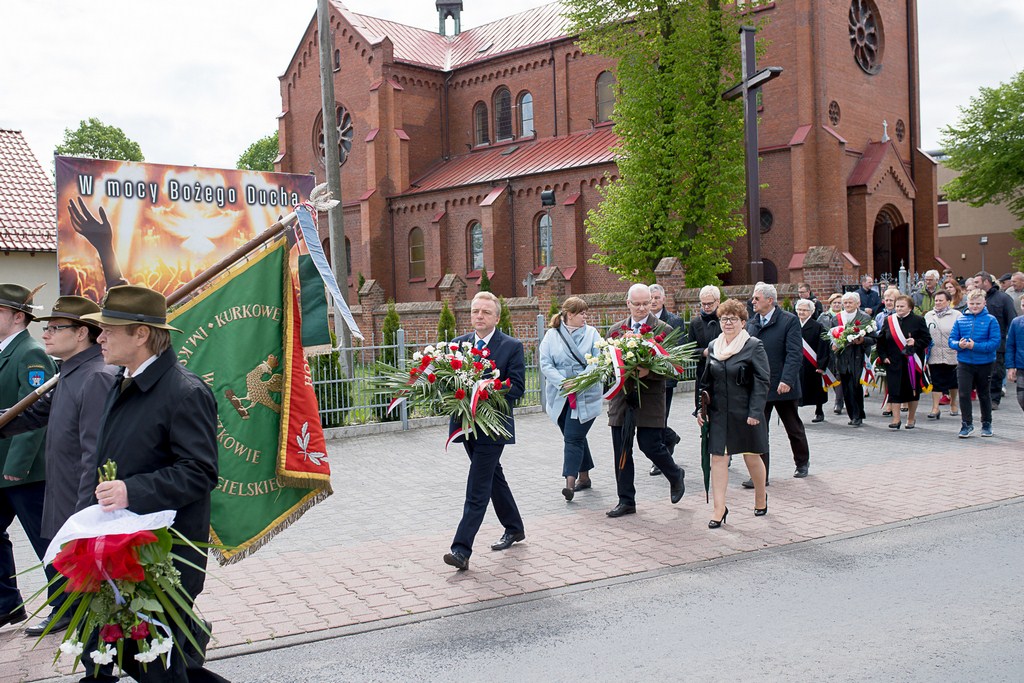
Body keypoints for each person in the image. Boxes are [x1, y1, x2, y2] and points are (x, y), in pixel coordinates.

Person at [78, 285, 222, 682]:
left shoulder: (184, 391)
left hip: (163, 553)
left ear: (141, 334)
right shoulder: (121, 381)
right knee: (118, 655)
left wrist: (131, 490)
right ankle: (190, 640)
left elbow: (201, 471)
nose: (100, 337)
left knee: (149, 663)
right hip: (121, 547)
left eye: (108, 329)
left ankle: (189, 640)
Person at [0, 296, 117, 636]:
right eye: (46, 327)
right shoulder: (73, 371)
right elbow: (38, 414)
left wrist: (84, 509)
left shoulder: (95, 375)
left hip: (77, 497)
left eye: (55, 327)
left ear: (82, 333)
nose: (46, 334)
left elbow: (94, 451)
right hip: (63, 489)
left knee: (91, 582)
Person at [444, 291, 527, 570]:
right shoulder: (457, 344)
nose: (479, 316)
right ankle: (514, 527)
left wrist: (487, 390)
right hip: (466, 425)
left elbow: (517, 388)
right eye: (475, 311)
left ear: (497, 317)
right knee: (493, 477)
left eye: (486, 312)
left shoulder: (511, 346)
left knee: (477, 487)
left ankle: (461, 549)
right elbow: (446, 385)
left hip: (493, 427)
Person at [0, 284, 57, 631]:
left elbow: (36, 415)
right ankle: (7, 604)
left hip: (25, 471)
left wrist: (16, 467)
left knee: (45, 541)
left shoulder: (31, 354)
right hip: (3, 468)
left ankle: (65, 604)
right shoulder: (6, 351)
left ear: (17, 316)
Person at [605, 284, 685, 518]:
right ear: (627, 303)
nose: (641, 308)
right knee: (621, 450)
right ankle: (626, 500)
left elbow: (673, 367)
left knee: (650, 444)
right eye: (636, 304)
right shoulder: (615, 330)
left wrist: (646, 372)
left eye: (645, 303)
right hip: (622, 399)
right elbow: (607, 363)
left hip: (650, 398)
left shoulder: (664, 328)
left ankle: (675, 474)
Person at [696, 299, 769, 528]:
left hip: (746, 412)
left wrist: (755, 411)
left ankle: (760, 496)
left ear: (743, 322)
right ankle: (719, 509)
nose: (728, 323)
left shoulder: (753, 345)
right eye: (724, 319)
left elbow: (762, 380)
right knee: (718, 458)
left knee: (751, 456)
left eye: (733, 319)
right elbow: (705, 380)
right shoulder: (714, 346)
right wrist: (700, 409)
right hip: (719, 414)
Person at [539, 297, 602, 501]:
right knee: (576, 436)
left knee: (572, 437)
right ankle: (584, 477)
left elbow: (598, 360)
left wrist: (581, 381)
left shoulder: (592, 333)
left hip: (586, 392)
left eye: (586, 313)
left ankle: (569, 483)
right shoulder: (551, 335)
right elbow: (546, 363)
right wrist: (563, 382)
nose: (586, 317)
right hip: (560, 395)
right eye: (582, 313)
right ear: (570, 314)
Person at [746, 283, 809, 482]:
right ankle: (761, 475)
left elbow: (794, 353)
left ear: (769, 300)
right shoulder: (752, 323)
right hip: (760, 386)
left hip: (782, 386)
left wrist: (787, 380)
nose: (752, 302)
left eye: (757, 298)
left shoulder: (788, 321)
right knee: (759, 432)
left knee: (793, 427)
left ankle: (802, 462)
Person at [948, 288, 1000, 438]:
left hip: (985, 363)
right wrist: (959, 344)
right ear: (967, 303)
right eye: (972, 303)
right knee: (963, 394)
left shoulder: (991, 320)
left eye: (978, 303)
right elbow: (951, 340)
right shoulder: (960, 319)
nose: (975, 306)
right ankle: (966, 424)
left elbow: (994, 343)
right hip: (964, 362)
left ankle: (986, 423)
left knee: (983, 394)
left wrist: (974, 346)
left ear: (984, 303)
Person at [876, 295, 930, 429]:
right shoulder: (889, 321)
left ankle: (911, 418)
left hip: (912, 362)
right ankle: (896, 419)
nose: (899, 309)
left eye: (902, 306)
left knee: (912, 391)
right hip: (893, 362)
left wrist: (915, 343)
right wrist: (883, 357)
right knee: (894, 391)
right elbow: (881, 341)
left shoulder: (918, 320)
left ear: (910, 308)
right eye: (897, 306)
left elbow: (927, 339)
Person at [648, 283, 683, 474]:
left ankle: (659, 459)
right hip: (645, 378)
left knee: (661, 417)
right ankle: (670, 437)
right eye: (650, 298)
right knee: (651, 418)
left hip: (664, 378)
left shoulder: (674, 321)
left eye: (656, 298)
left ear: (663, 299)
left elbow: (678, 349)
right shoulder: (643, 321)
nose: (653, 301)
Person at [832, 291, 876, 427]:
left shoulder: (864, 318)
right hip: (842, 357)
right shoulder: (836, 318)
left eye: (850, 302)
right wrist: (833, 344)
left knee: (855, 386)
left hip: (858, 357)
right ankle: (852, 414)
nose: (847, 305)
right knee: (845, 387)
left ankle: (858, 414)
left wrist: (862, 340)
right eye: (845, 302)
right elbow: (832, 335)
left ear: (858, 303)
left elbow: (873, 339)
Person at [977, 271, 1015, 411]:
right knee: (981, 372)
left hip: (998, 343)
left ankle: (994, 399)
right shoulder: (977, 298)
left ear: (986, 282)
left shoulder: (1003, 298)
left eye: (977, 282)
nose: (975, 285)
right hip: (978, 343)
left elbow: (1011, 320)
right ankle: (983, 397)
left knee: (996, 372)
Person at [924, 290, 962, 419]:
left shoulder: (957, 315)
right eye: (936, 300)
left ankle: (953, 403)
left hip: (952, 352)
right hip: (934, 353)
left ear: (948, 301)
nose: (938, 303)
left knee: (953, 381)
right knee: (936, 380)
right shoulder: (929, 315)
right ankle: (935, 408)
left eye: (941, 300)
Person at [794, 299, 831, 423]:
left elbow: (823, 346)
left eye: (805, 310)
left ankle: (819, 411)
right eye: (800, 310)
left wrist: (821, 365)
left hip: (812, 363)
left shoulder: (818, 326)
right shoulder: (793, 325)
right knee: (796, 388)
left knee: (816, 388)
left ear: (811, 312)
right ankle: (794, 413)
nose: (802, 312)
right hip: (797, 362)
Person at [818, 293, 845, 414]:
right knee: (832, 375)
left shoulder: (844, 316)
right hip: (828, 350)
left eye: (839, 303)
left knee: (839, 374)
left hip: (841, 350)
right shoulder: (823, 316)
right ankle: (839, 397)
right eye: (834, 302)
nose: (837, 305)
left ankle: (838, 401)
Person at [1005, 296, 1024, 411]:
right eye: (1023, 305)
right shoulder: (1016, 322)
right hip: (1021, 365)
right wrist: (1011, 367)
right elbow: (1010, 345)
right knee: (1021, 398)